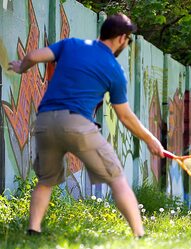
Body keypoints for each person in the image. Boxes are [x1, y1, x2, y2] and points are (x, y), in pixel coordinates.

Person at [8, 13, 165, 237]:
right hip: (77, 124)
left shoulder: (71, 44)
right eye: (128, 39)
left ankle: (33, 230)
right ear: (121, 38)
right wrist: (151, 139)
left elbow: (33, 55)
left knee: (45, 180)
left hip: (44, 122)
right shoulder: (114, 70)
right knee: (117, 178)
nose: (127, 43)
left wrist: (21, 67)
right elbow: (125, 116)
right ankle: (140, 235)